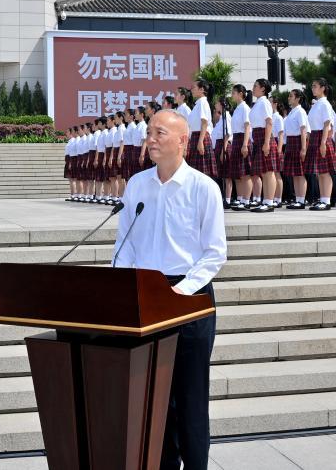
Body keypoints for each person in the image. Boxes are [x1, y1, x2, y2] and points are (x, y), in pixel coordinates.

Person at [112, 109, 225, 470]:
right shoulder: (137, 185)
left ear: (182, 141)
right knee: (154, 399)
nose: (151, 139)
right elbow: (125, 244)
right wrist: (122, 284)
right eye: (149, 132)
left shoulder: (203, 188)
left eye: (160, 133)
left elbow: (213, 253)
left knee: (189, 398)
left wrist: (180, 293)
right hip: (145, 295)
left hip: (189, 299)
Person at [305, 79, 336, 210]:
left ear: (323, 88)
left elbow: (327, 124)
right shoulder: (317, 104)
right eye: (312, 86)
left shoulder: (324, 104)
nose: (312, 88)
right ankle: (322, 199)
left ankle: (326, 201)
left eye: (315, 86)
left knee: (325, 172)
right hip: (314, 136)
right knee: (319, 172)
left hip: (321, 137)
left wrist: (323, 142)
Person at [249, 79, 279, 212]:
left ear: (263, 89)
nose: (253, 88)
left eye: (255, 86)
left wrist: (266, 142)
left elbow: (269, 123)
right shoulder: (258, 103)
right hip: (258, 136)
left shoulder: (265, 102)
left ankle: (269, 202)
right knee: (263, 171)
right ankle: (265, 200)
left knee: (268, 172)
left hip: (264, 137)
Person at [282, 89, 311, 208]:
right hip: (290, 142)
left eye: (291, 96)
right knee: (294, 173)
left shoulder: (300, 112)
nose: (289, 98)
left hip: (298, 141)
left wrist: (303, 148)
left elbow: (304, 130)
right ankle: (297, 199)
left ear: (298, 98)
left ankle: (301, 200)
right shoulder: (292, 112)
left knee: (300, 173)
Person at [229, 84, 254, 210]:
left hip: (243, 139)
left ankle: (246, 200)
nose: (232, 95)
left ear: (240, 94)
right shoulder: (237, 108)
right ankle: (241, 199)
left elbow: (247, 127)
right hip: (236, 139)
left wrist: (245, 144)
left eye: (233, 93)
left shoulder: (245, 108)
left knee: (245, 173)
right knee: (239, 173)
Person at [186, 80, 218, 178]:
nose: (192, 90)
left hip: (201, 137)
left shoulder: (203, 103)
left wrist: (200, 142)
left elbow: (204, 123)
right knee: (196, 170)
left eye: (194, 87)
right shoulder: (198, 104)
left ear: (201, 89)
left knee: (203, 171)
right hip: (196, 136)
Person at [212, 98, 233, 206]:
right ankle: (223, 197)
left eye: (216, 103)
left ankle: (228, 199)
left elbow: (228, 133)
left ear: (221, 104)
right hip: (219, 145)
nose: (215, 105)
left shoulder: (226, 116)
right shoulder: (221, 117)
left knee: (227, 174)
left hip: (224, 145)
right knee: (221, 174)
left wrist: (223, 151)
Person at [272, 99, 287, 205]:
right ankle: (272, 197)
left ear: (275, 104)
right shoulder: (270, 116)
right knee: (271, 173)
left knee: (277, 173)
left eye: (270, 102)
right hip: (271, 142)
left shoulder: (278, 117)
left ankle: (278, 199)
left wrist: (279, 149)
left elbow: (281, 134)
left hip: (276, 143)